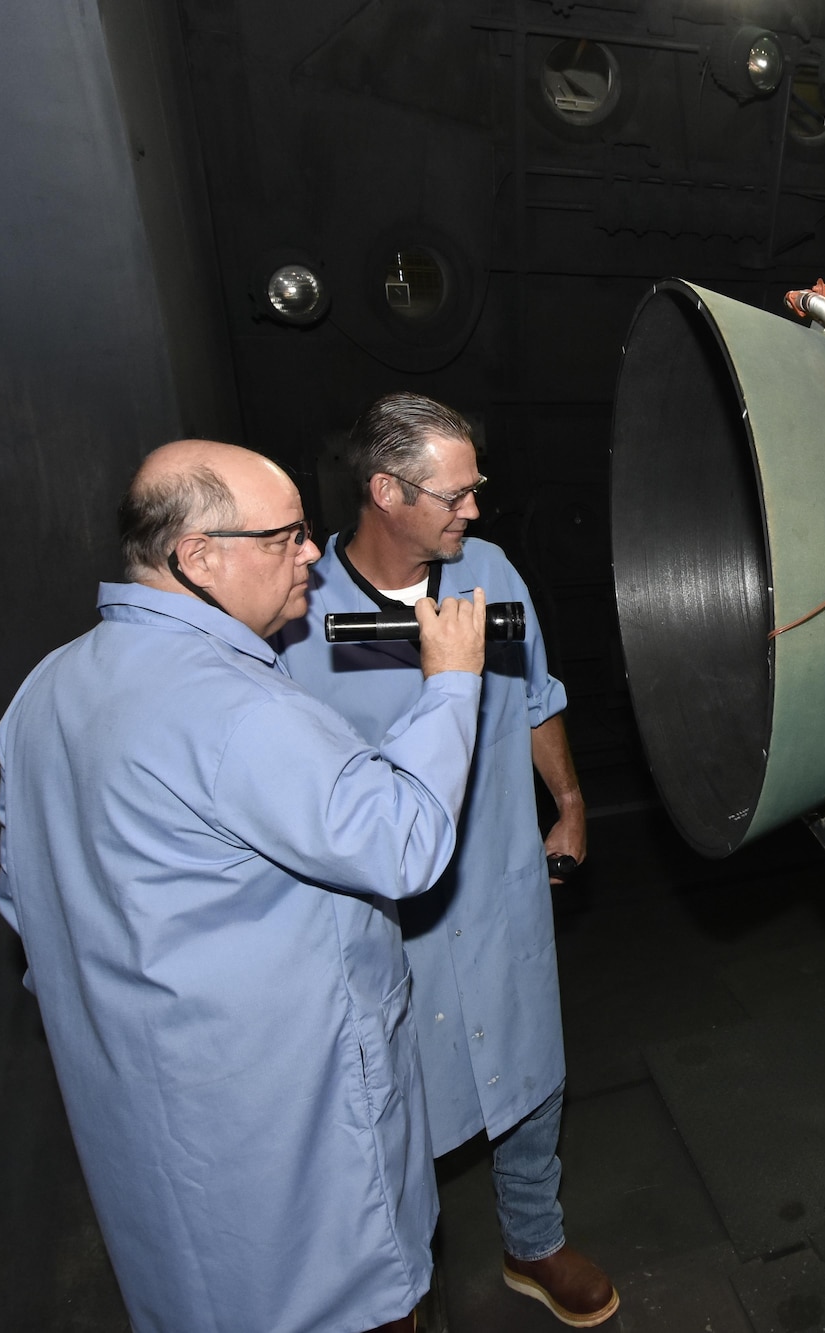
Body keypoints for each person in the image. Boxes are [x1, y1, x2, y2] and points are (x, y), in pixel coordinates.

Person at [0, 439, 489, 1333]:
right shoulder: (236, 709)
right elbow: (404, 840)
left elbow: (25, 907)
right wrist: (452, 683)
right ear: (198, 557)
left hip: (155, 1147)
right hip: (292, 1162)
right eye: (286, 537)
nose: (310, 554)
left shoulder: (45, 689)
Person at [277, 393, 616, 1328]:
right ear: (386, 491)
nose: (475, 510)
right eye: (455, 494)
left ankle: (533, 1239)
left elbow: (536, 693)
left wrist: (572, 802)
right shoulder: (301, 624)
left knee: (531, 1071)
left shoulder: (493, 571)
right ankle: (398, 1282)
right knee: (387, 1105)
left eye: (477, 490)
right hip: (388, 920)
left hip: (501, 883)